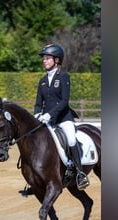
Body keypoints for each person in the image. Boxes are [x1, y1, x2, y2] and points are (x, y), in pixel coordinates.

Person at [34, 44, 90, 190]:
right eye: (44, 59)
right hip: (47, 120)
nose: (44, 61)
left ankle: (80, 174)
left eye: (47, 58)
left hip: (64, 118)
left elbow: (64, 101)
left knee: (71, 139)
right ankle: (34, 177)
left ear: (56, 60)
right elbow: (38, 103)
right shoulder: (42, 80)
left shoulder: (64, 76)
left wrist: (49, 114)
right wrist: (37, 114)